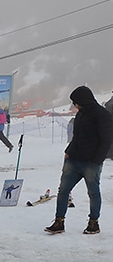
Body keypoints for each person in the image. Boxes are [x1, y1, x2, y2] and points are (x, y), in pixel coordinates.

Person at [45, 86, 113, 235]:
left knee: (93, 193)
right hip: (73, 161)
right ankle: (59, 222)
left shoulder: (102, 115)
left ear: (83, 100)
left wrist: (97, 160)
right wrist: (68, 152)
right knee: (63, 190)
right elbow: (77, 136)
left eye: (76, 102)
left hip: (91, 163)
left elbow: (107, 140)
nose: (75, 105)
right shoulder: (80, 114)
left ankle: (93, 223)